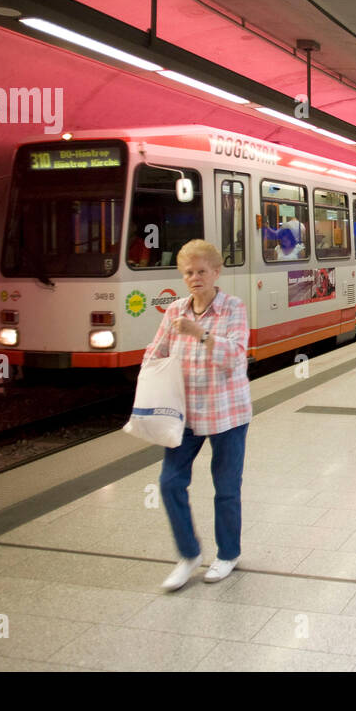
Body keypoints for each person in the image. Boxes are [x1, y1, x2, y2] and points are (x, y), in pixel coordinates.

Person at [142, 239, 252, 590]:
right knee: (170, 483)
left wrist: (201, 334)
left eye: (202, 271)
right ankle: (188, 555)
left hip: (227, 414)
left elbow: (235, 356)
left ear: (216, 273)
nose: (194, 278)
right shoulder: (174, 311)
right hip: (185, 415)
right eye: (188, 272)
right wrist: (148, 376)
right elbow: (156, 351)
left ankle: (227, 554)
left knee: (226, 488)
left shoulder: (233, 308)